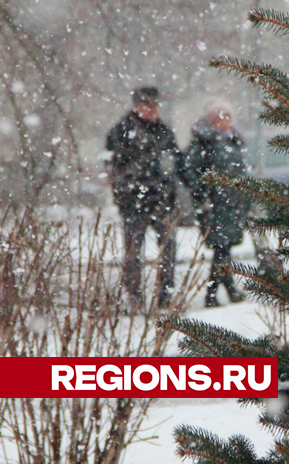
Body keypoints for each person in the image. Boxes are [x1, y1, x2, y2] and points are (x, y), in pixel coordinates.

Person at [104, 86, 181, 309]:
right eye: (147, 106)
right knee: (133, 253)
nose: (152, 110)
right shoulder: (121, 131)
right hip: (133, 203)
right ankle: (134, 297)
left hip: (162, 201)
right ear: (136, 106)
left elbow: (176, 163)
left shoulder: (164, 132)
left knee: (168, 250)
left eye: (155, 105)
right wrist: (129, 186)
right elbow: (113, 167)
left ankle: (165, 296)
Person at [182, 100, 251, 308]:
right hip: (215, 205)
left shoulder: (233, 141)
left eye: (228, 116)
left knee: (226, 248)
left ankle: (226, 289)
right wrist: (204, 194)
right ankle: (212, 294)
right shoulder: (204, 143)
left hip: (233, 203)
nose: (226, 121)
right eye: (221, 117)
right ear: (212, 119)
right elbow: (189, 171)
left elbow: (240, 171)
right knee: (222, 248)